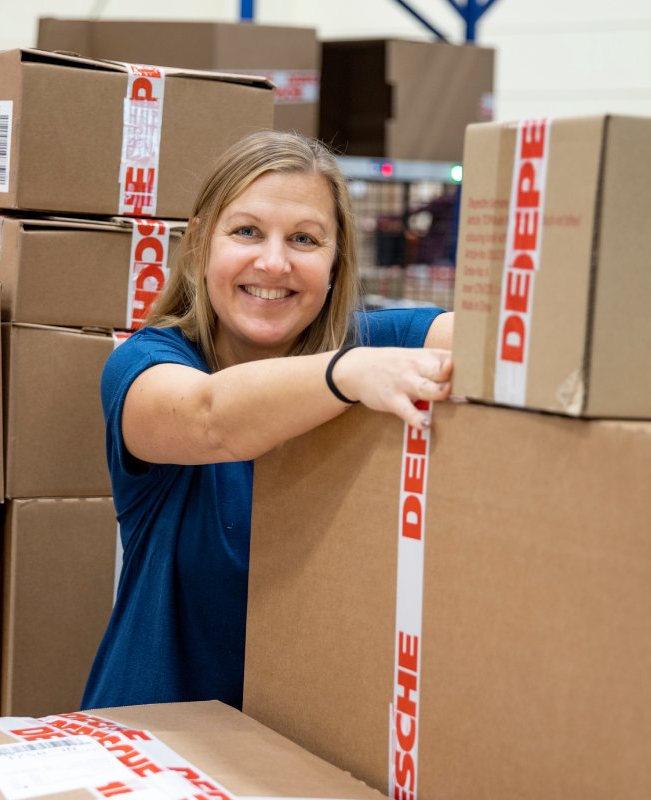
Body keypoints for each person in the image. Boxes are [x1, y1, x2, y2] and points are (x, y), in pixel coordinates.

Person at [81, 129, 453, 711]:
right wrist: (345, 376)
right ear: (202, 243)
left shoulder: (373, 344)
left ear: (335, 263)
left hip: (306, 752)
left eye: (305, 239)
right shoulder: (145, 364)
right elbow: (213, 418)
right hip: (153, 745)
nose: (273, 262)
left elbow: (505, 344)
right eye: (247, 231)